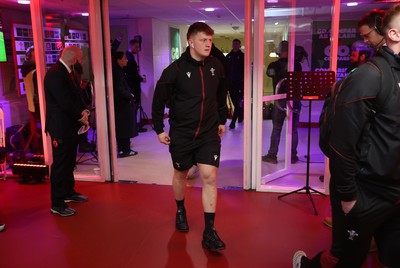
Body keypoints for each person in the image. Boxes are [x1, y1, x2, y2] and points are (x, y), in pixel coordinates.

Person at [293, 5, 400, 267]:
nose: (364, 41)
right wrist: (349, 197)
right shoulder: (368, 75)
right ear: (394, 34)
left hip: (395, 191)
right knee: (345, 259)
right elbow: (342, 145)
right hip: (366, 193)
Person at [152, 22, 227, 251]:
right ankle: (180, 209)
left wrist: (222, 119)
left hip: (208, 133)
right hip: (182, 134)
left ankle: (210, 231)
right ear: (191, 41)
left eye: (210, 40)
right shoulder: (174, 70)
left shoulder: (216, 65)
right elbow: (157, 101)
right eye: (203, 40)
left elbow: (221, 94)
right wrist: (158, 129)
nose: (208, 44)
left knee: (209, 177)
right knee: (180, 174)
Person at [44, 46, 90, 217]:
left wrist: (84, 111)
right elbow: (63, 101)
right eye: (81, 58)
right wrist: (80, 117)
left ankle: (68, 192)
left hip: (69, 126)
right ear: (73, 59)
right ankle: (57, 202)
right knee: (60, 164)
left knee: (70, 161)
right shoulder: (56, 73)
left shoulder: (66, 72)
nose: (82, 61)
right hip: (60, 128)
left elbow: (74, 97)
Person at [262, 40, 302, 164]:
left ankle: (272, 155)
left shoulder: (274, 65)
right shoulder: (297, 65)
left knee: (277, 128)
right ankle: (293, 157)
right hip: (294, 99)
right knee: (293, 129)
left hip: (280, 100)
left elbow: (269, 74)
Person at [112, 51, 138, 158]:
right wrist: (130, 96)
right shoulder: (117, 72)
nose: (126, 60)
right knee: (124, 127)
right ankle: (124, 149)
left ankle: (124, 149)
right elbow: (119, 89)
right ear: (119, 60)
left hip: (122, 104)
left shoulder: (120, 70)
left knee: (124, 127)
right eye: (124, 58)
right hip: (122, 105)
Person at [21, 46, 42, 154]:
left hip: (32, 104)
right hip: (39, 104)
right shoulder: (34, 71)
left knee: (39, 128)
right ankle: (43, 150)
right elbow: (39, 91)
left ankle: (40, 149)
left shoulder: (26, 70)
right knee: (44, 129)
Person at [126, 39, 147, 133]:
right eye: (136, 47)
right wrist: (141, 79)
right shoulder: (129, 58)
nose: (138, 49)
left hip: (132, 86)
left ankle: (133, 127)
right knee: (134, 108)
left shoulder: (130, 57)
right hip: (133, 87)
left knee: (134, 108)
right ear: (131, 46)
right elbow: (133, 74)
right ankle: (133, 128)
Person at [226, 39, 244, 129]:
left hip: (239, 84)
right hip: (230, 84)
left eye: (237, 44)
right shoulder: (228, 56)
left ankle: (233, 121)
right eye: (234, 44)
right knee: (235, 102)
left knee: (237, 103)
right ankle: (240, 115)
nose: (235, 45)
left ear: (240, 45)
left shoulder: (243, 56)